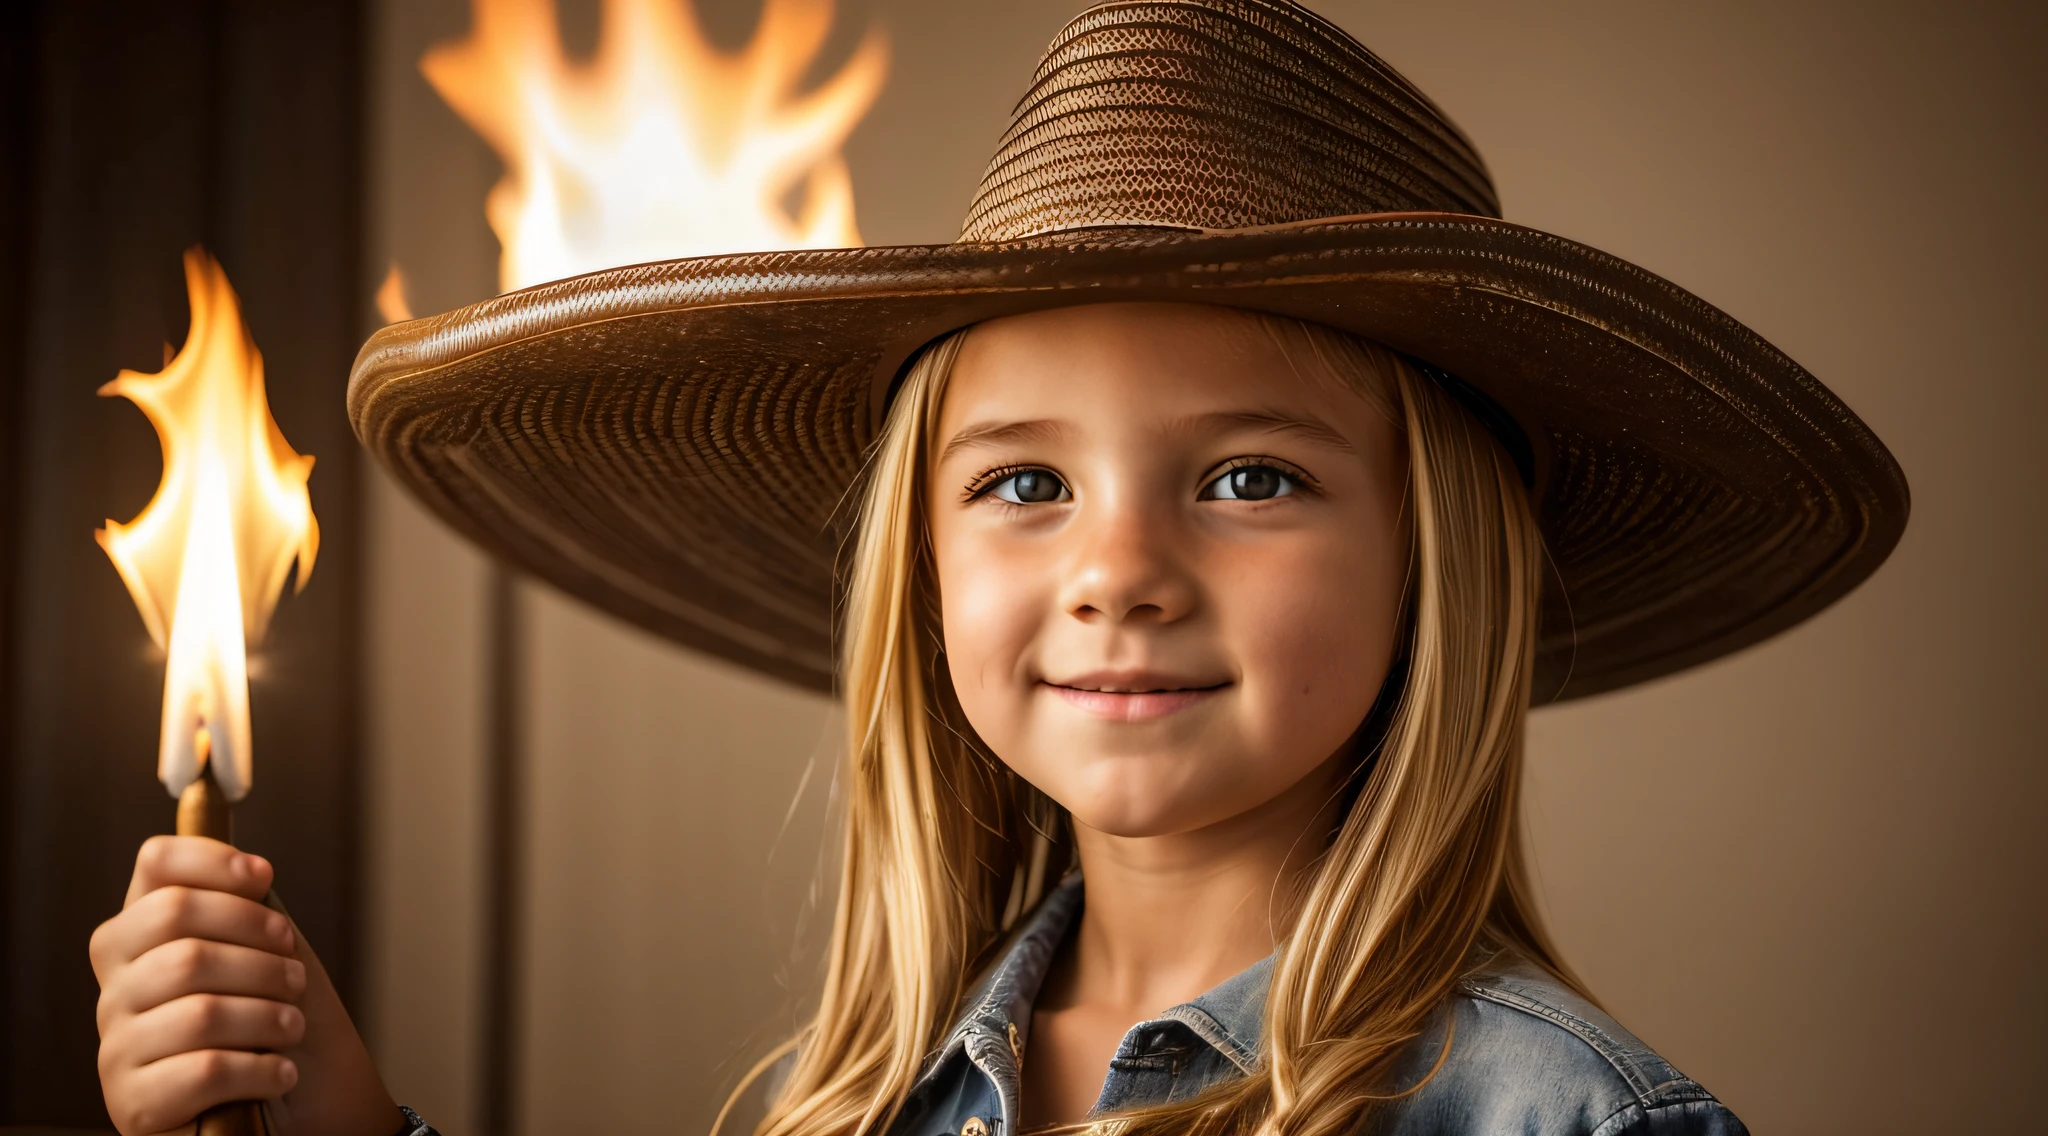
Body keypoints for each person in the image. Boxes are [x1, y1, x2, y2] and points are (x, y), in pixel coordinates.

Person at [90, 2, 1907, 1135]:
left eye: (1252, 476)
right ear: (919, 571)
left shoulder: (1567, 1122)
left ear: (1443, 562)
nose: (1119, 568)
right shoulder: (869, 1101)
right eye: (1025, 480)